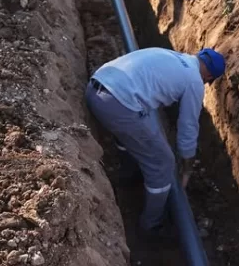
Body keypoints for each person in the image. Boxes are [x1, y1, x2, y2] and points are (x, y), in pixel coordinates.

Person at [84, 47, 226, 240]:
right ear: (209, 75)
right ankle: (151, 225)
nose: (206, 83)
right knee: (163, 163)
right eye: (208, 81)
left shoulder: (172, 55)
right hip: (119, 105)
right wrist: (187, 164)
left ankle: (128, 175)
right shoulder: (194, 80)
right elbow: (188, 127)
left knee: (139, 132)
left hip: (96, 88)